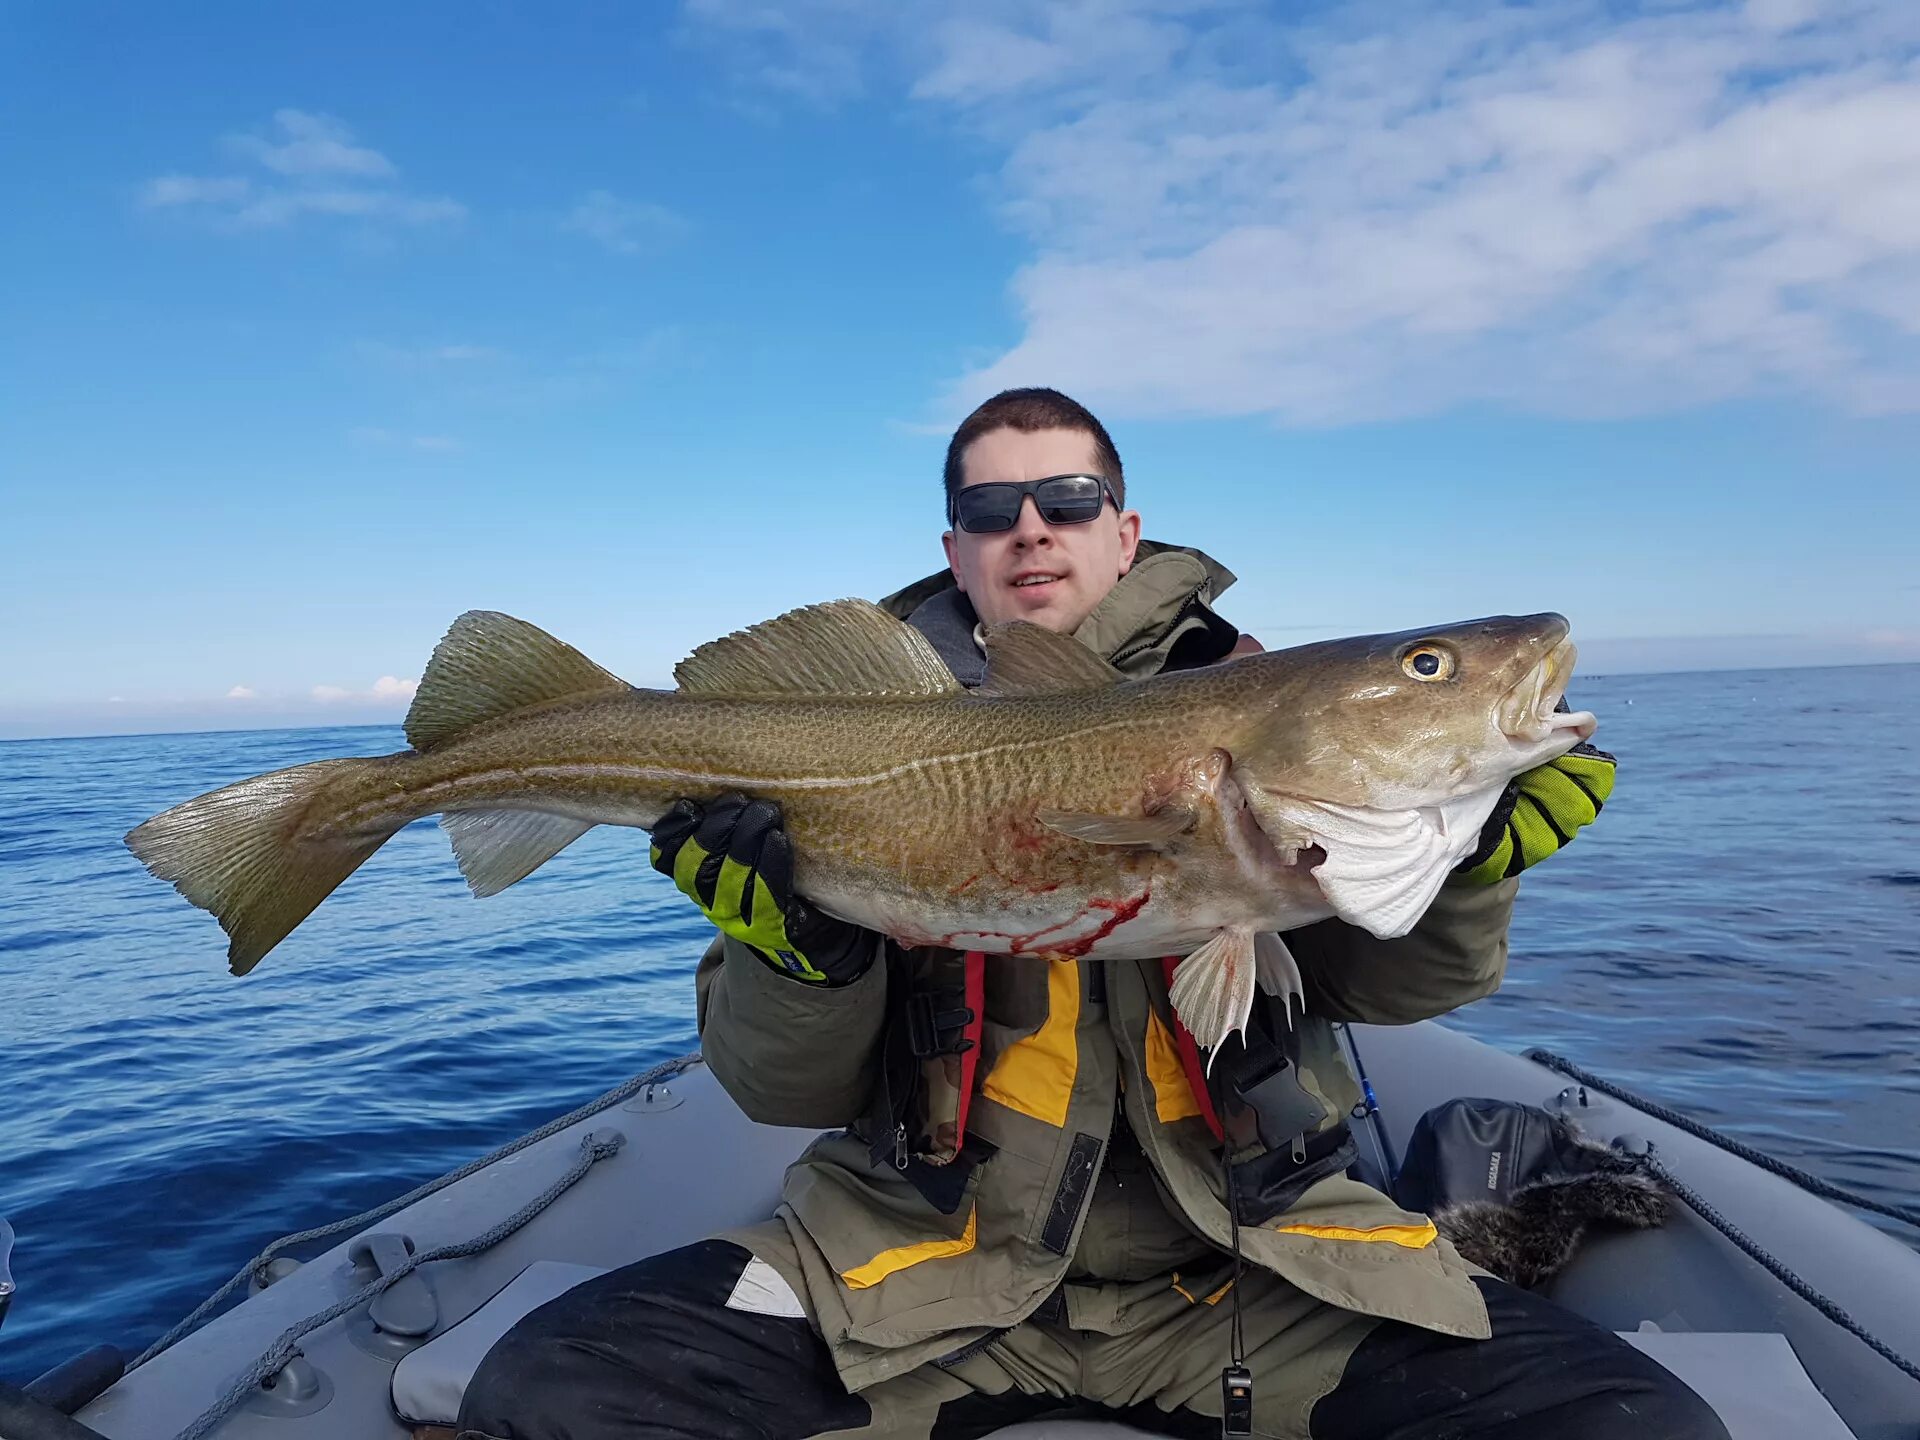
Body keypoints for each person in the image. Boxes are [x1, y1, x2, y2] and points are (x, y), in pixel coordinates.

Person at [458, 389, 1721, 1440]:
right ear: (955, 550)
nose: (1030, 531)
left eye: (1065, 501)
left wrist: (1471, 865)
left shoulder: (1258, 728)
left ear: (1125, 532)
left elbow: (1394, 996)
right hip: (908, 1278)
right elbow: (778, 1092)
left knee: (1634, 1426)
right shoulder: (845, 743)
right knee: (549, 1390)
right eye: (985, 511)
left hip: (1258, 1271)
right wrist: (799, 951)